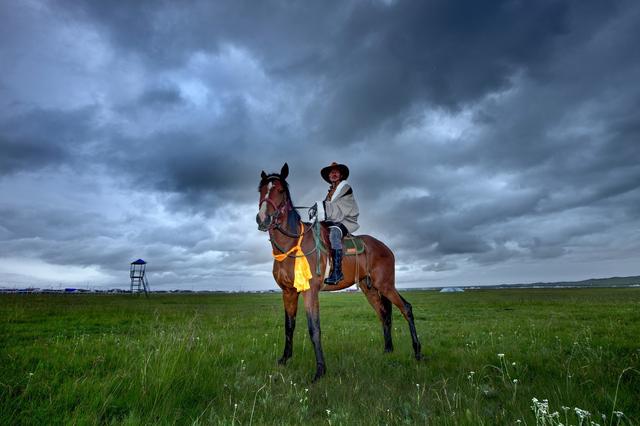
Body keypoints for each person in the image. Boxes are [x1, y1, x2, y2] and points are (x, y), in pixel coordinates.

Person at [309, 162, 360, 284]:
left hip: (346, 220)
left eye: (336, 172)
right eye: (331, 173)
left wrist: (321, 206)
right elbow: (328, 207)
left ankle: (337, 272)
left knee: (334, 234)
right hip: (335, 219)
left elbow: (335, 207)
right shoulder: (331, 191)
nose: (333, 174)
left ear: (341, 175)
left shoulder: (345, 188)